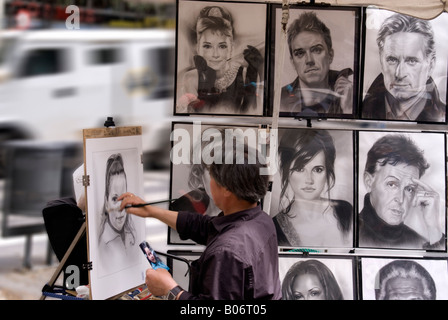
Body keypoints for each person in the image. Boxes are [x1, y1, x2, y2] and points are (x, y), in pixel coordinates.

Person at [118, 141, 282, 300]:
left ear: (226, 189)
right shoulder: (260, 220)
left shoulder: (227, 252)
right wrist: (150, 211)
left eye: (211, 177)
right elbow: (203, 226)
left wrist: (170, 290)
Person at [359, 134, 445, 250]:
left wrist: (434, 227)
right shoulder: (346, 232)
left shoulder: (419, 242)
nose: (401, 199)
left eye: (409, 189)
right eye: (392, 184)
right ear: (369, 182)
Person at [273, 129, 353, 247]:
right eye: (300, 169)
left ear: (328, 171)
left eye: (317, 170)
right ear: (286, 171)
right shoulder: (275, 228)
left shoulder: (345, 211)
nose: (309, 180)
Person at [177, 5, 263, 114]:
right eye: (207, 46)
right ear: (197, 47)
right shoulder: (191, 78)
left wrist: (253, 75)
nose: (215, 54)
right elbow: (191, 119)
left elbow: (251, 115)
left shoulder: (245, 74)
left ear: (231, 47)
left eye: (222, 46)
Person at [362, 13, 446, 122]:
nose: (400, 74)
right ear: (381, 62)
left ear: (430, 65)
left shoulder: (443, 116)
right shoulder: (362, 109)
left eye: (411, 61)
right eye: (392, 59)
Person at [280, 11, 353, 117]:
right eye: (300, 53)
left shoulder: (349, 95)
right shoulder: (278, 100)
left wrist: (349, 109)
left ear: (330, 55)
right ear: (292, 62)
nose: (309, 60)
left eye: (316, 50)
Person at [98, 153, 137, 274]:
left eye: (124, 197)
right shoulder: (104, 244)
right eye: (115, 199)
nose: (121, 207)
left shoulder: (132, 233)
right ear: (106, 202)